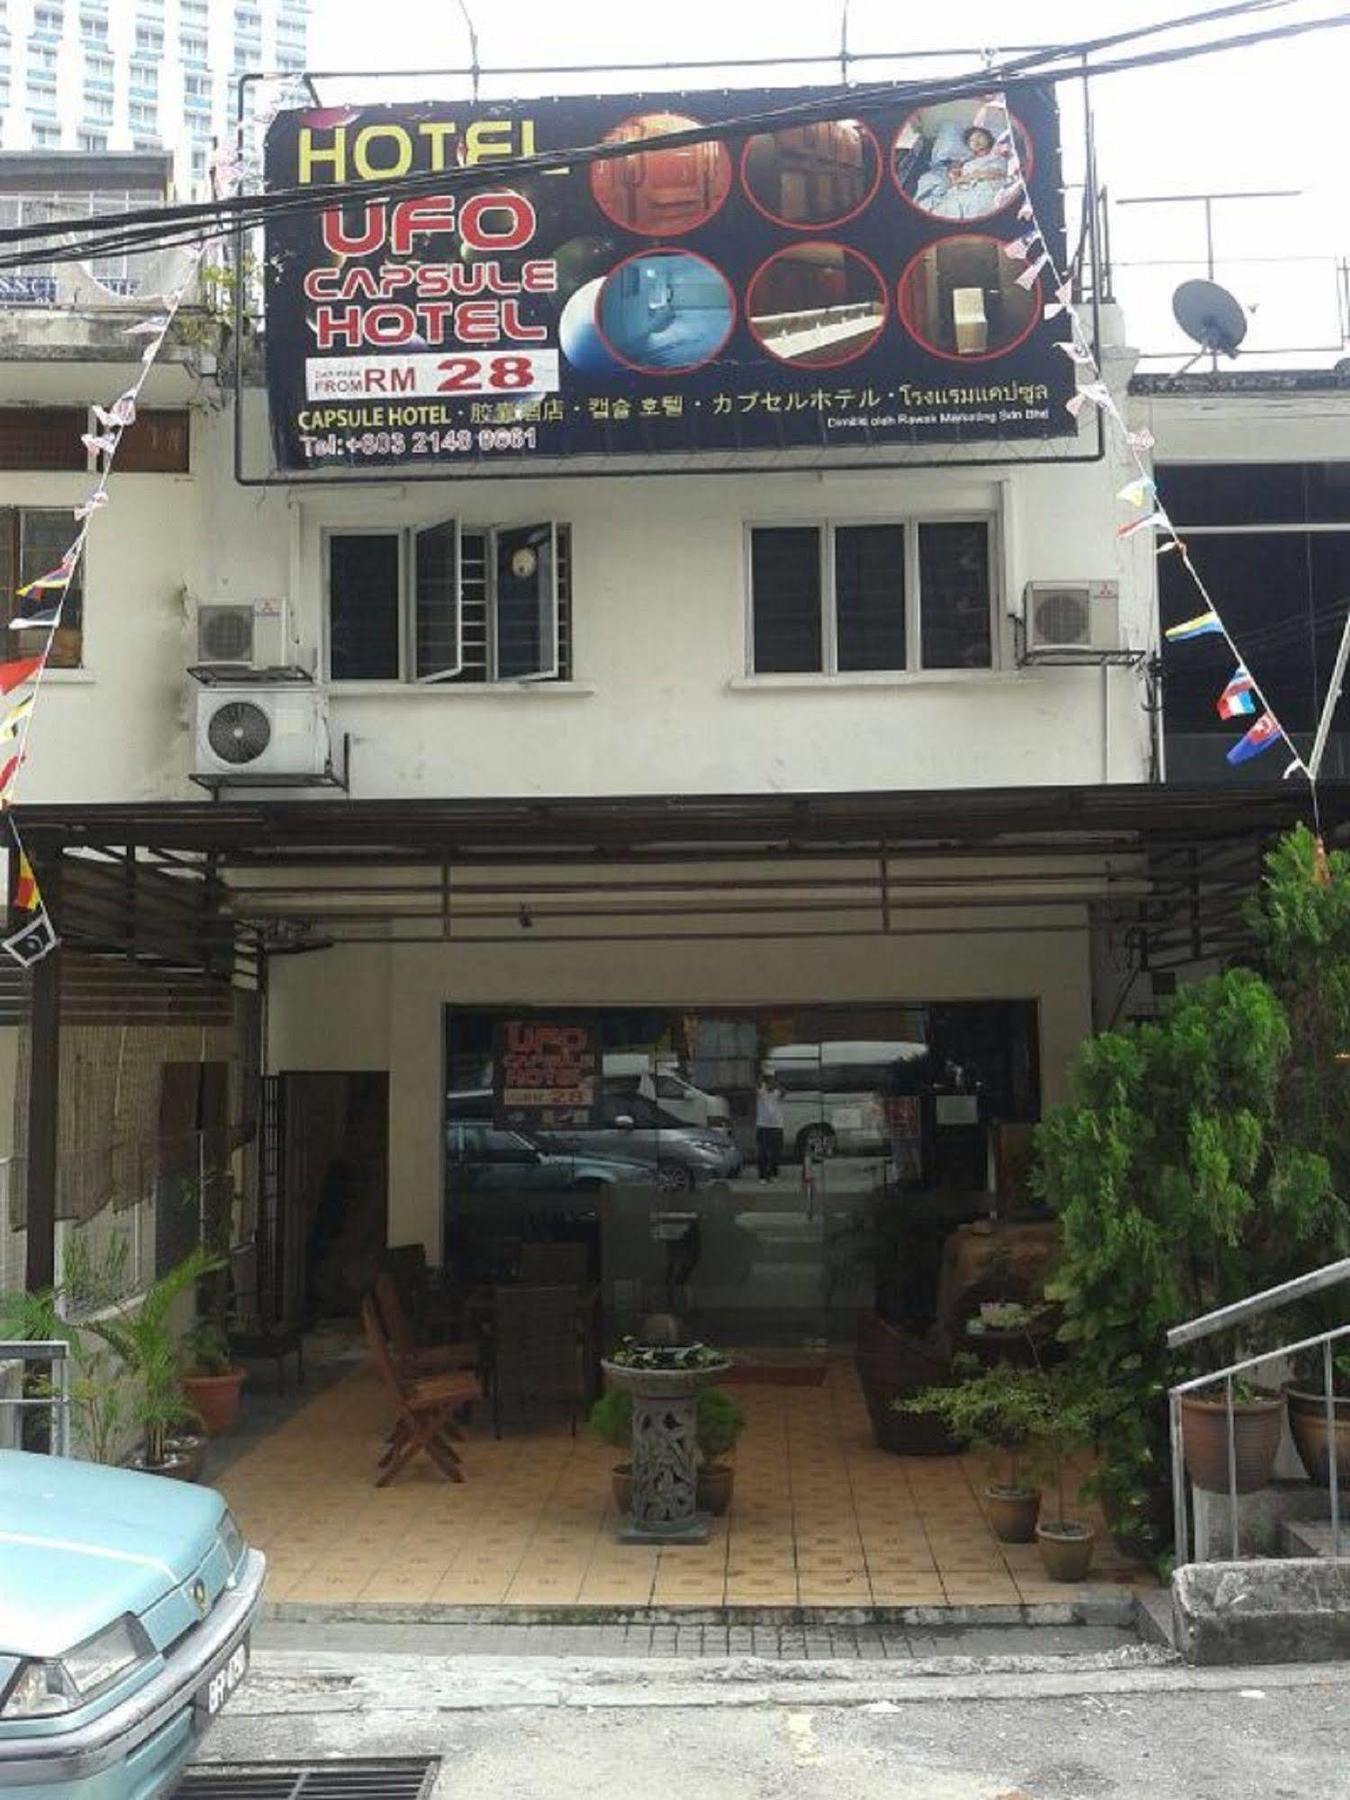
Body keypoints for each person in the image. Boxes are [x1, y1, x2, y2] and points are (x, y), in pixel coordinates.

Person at [755, 1073, 785, 1181]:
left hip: (777, 1126)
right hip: (763, 1126)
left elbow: (783, 1092)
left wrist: (775, 1084)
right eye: (768, 1082)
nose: (770, 1084)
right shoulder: (761, 1092)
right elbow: (757, 1086)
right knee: (762, 1152)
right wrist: (762, 1079)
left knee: (776, 1152)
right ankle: (762, 1176)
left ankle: (773, 1173)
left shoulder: (777, 1093)